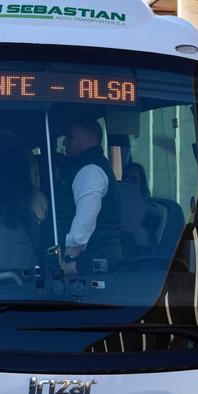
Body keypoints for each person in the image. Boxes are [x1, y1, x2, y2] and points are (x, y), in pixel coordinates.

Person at [0, 144, 48, 278]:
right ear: (26, 170)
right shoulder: (38, 197)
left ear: (0, 169)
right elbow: (41, 236)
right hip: (25, 267)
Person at [57, 116, 121, 275]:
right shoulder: (81, 167)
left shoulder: (90, 170)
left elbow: (86, 218)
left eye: (71, 137)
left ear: (91, 137)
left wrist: (69, 258)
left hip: (85, 266)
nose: (65, 142)